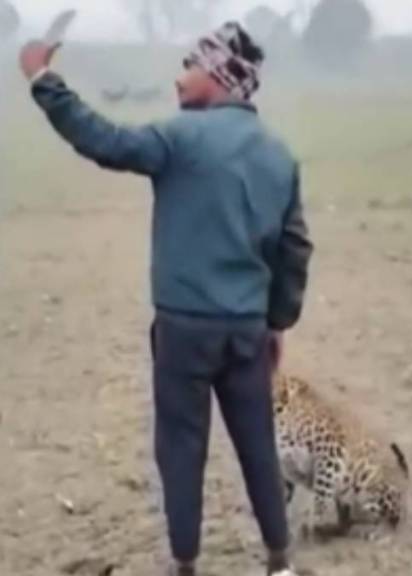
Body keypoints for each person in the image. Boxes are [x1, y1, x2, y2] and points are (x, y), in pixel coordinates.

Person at [19, 22, 312, 576]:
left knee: (181, 447)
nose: (178, 77)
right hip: (247, 328)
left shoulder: (179, 140)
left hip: (183, 329)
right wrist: (277, 321)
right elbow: (294, 248)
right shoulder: (279, 157)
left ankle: (184, 564)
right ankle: (279, 561)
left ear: (222, 76)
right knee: (257, 443)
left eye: (190, 65)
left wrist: (44, 80)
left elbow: (102, 140)